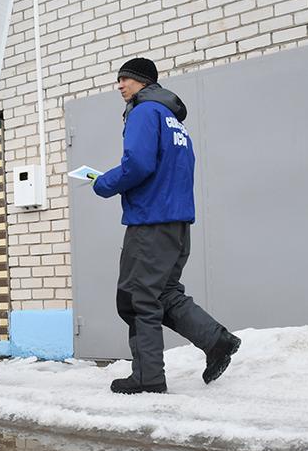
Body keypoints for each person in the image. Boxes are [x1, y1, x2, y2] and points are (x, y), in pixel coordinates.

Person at [90, 58, 241, 394]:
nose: (120, 85)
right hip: (176, 223)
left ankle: (148, 376)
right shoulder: (173, 121)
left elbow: (138, 165)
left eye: (126, 79)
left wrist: (103, 183)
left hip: (150, 223)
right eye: (119, 79)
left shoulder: (144, 112)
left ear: (143, 81)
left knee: (137, 299)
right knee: (163, 293)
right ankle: (216, 340)